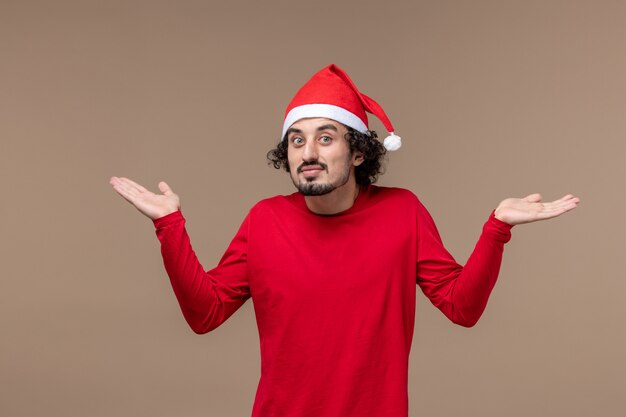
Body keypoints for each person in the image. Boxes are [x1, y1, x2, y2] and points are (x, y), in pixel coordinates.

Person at [110, 64, 580, 417]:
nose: (308, 153)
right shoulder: (264, 220)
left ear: (358, 152)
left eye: (324, 137)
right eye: (296, 141)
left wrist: (497, 228)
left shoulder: (403, 212)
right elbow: (204, 314)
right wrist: (169, 226)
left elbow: (463, 307)